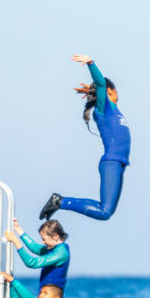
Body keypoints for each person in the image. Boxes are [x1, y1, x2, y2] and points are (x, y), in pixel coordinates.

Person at [39, 54, 130, 221]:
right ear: (111, 92)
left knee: (106, 209)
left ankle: (60, 201)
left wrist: (92, 91)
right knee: (104, 213)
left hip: (120, 162)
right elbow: (101, 84)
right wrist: (91, 64)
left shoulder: (114, 110)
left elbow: (99, 89)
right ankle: (60, 202)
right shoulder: (105, 109)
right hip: (112, 161)